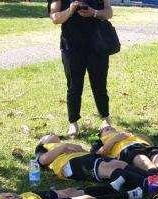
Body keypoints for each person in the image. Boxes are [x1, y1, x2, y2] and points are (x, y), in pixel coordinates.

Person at [35, 134, 158, 197]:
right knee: (108, 168)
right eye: (46, 135)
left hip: (84, 159)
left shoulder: (60, 145)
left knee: (118, 163)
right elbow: (43, 160)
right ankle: (147, 184)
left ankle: (155, 178)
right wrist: (63, 146)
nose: (51, 134)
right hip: (71, 165)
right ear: (42, 143)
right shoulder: (45, 148)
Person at [48, 0, 115, 137]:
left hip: (97, 44)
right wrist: (70, 10)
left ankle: (105, 118)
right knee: (74, 85)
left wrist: (93, 12)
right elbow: (55, 18)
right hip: (72, 46)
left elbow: (109, 12)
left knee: (100, 84)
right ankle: (73, 122)